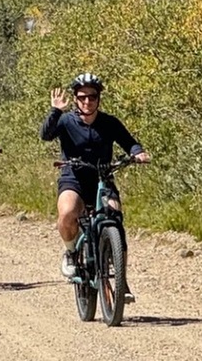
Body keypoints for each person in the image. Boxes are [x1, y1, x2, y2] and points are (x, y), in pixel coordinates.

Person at [40, 72, 149, 281]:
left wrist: (137, 153)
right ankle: (71, 253)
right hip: (73, 177)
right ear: (75, 99)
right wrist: (55, 111)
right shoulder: (66, 121)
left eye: (92, 96)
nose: (87, 101)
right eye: (82, 97)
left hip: (103, 178)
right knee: (68, 212)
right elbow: (46, 135)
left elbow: (130, 142)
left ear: (98, 98)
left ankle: (120, 280)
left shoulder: (109, 122)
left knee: (115, 219)